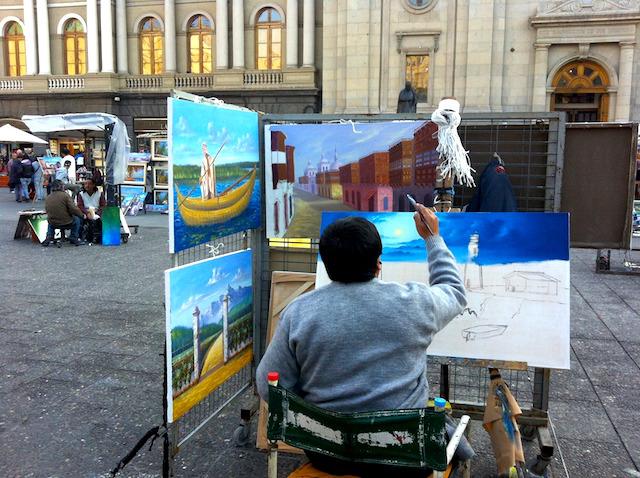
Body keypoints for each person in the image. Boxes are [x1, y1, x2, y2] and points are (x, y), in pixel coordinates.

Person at [256, 206, 470, 476]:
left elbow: (269, 387)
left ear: (328, 264)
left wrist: (315, 405)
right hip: (405, 456)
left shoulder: (299, 312)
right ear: (378, 264)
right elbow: (453, 291)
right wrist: (433, 238)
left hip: (328, 455)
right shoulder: (416, 304)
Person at [42, 180, 84, 246]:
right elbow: (73, 209)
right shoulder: (65, 196)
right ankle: (73, 237)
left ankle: (49, 236)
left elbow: (47, 210)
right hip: (66, 222)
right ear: (61, 186)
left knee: (50, 221)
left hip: (53, 222)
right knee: (77, 220)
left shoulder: (48, 197)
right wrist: (81, 215)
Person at [77, 178, 106, 244]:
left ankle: (99, 236)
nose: (87, 186)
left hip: (97, 211)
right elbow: (80, 206)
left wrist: (98, 213)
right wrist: (87, 213)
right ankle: (79, 237)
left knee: (102, 219)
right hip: (85, 212)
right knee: (79, 219)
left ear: (93, 185)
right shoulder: (81, 194)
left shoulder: (99, 193)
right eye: (85, 184)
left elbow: (103, 205)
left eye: (89, 184)